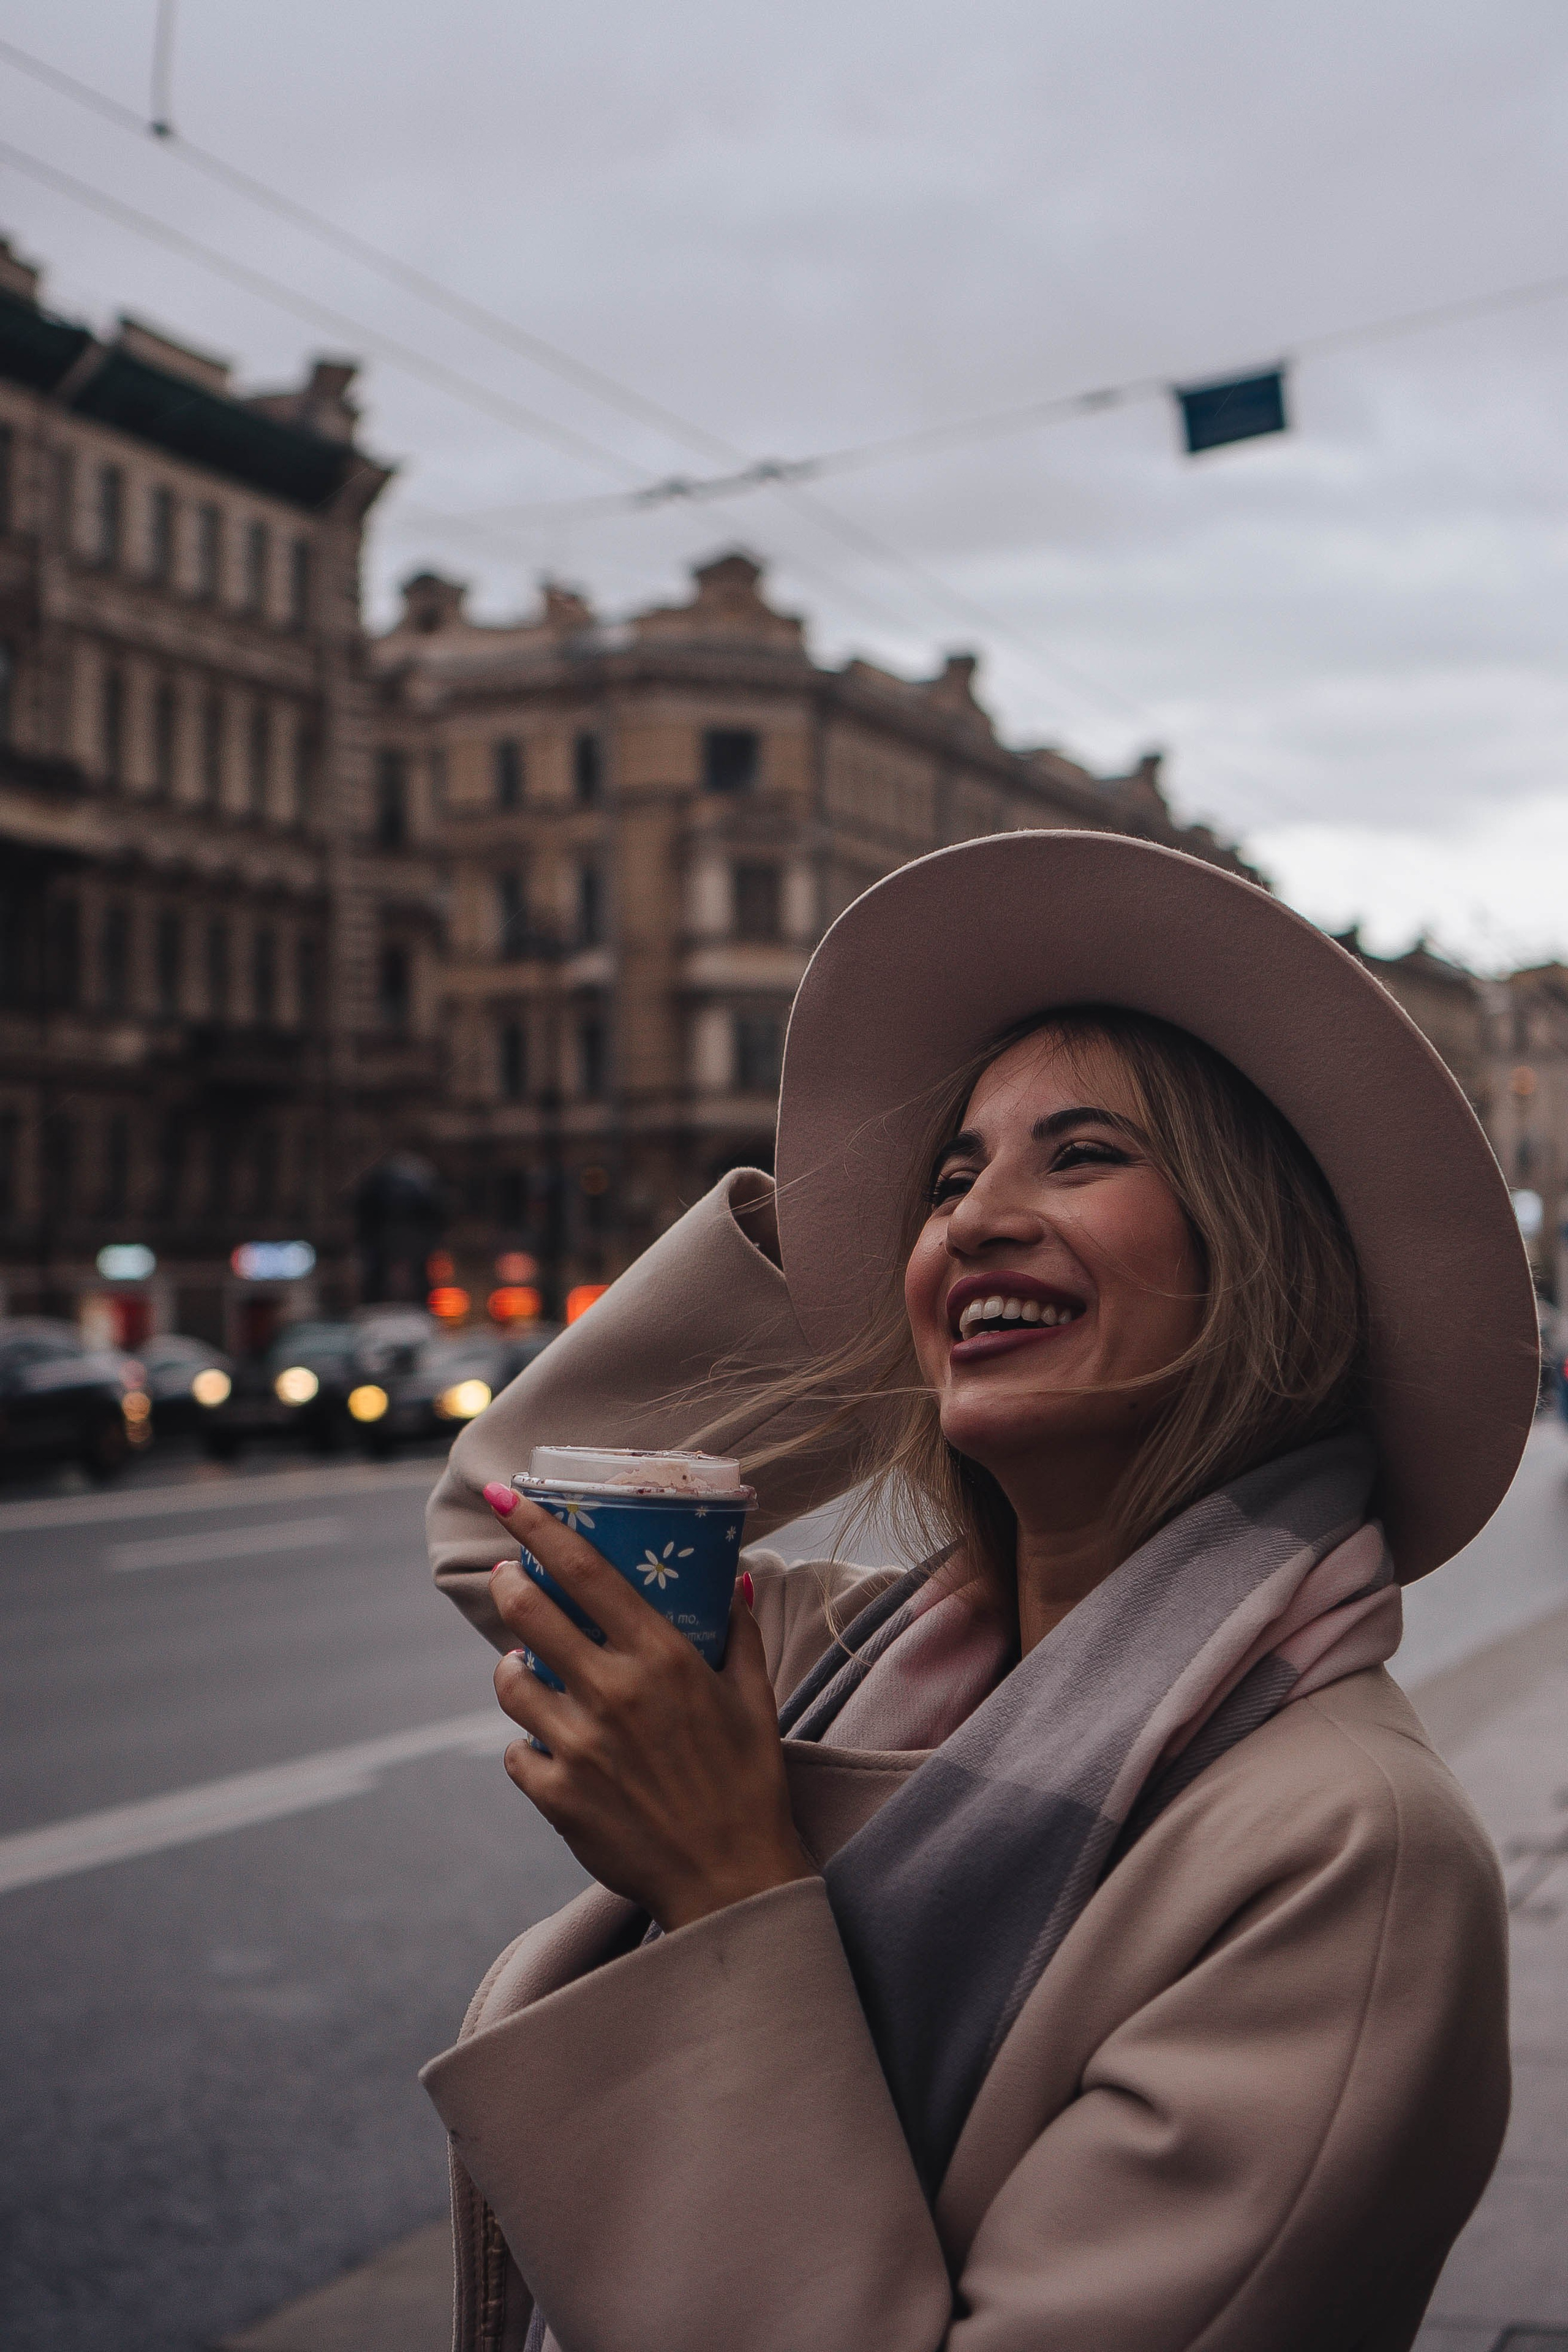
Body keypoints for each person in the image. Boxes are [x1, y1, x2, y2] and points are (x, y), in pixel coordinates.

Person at [420, 831, 1538, 2352]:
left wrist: (726, 1891)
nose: (966, 1216)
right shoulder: (848, 1653)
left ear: (1261, 1262)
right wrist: (843, 1282)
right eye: (949, 1178)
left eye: (1077, 1156)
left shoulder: (1351, 1855)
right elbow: (508, 1530)